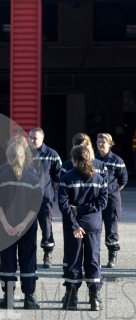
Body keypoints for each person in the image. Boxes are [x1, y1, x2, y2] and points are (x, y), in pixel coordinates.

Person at [58, 146, 107, 311]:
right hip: (93, 225)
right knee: (93, 260)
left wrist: (75, 222)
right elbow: (102, 203)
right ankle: (95, 299)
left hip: (73, 227)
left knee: (73, 260)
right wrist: (85, 210)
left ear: (74, 160)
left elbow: (64, 207)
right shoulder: (100, 179)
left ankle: (71, 298)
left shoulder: (66, 178)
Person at [0, 143, 42, 310]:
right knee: (28, 260)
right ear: (24, 157)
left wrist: (6, 224)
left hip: (6, 227)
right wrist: (23, 223)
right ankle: (29, 298)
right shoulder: (33, 177)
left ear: (8, 158)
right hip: (27, 227)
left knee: (7, 261)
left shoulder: (0, 176)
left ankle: (8, 299)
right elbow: (36, 205)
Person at [28, 127, 62, 269]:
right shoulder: (23, 153)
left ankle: (47, 254)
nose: (31, 140)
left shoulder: (51, 154)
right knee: (27, 229)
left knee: (46, 228)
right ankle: (28, 256)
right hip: (27, 200)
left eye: (35, 138)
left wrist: (47, 189)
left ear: (42, 138)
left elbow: (57, 175)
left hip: (44, 199)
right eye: (30, 137)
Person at [95, 133, 128, 268]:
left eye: (103, 142)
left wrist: (112, 190)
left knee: (111, 227)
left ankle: (112, 255)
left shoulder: (117, 160)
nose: (101, 144)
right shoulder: (92, 159)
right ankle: (94, 257)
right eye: (99, 142)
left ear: (110, 144)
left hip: (111, 198)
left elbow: (123, 180)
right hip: (95, 198)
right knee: (94, 227)